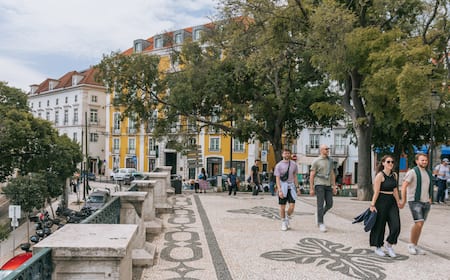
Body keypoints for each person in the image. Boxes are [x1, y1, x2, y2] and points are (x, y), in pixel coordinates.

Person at [399, 153, 433, 255]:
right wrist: (404, 200)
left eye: (426, 160)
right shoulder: (412, 172)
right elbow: (404, 186)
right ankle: (410, 245)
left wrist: (430, 198)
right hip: (414, 201)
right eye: (422, 160)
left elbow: (428, 186)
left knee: (420, 224)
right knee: (418, 223)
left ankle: (415, 245)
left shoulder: (428, 172)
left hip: (426, 202)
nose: (424, 162)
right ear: (417, 161)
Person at [369, 155, 401, 257]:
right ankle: (378, 247)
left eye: (392, 162)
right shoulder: (380, 176)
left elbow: (395, 190)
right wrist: (372, 204)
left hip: (392, 202)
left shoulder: (394, 175)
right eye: (388, 162)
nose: (390, 163)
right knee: (380, 226)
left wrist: (398, 201)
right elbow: (376, 191)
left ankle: (389, 245)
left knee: (396, 226)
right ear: (383, 163)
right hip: (381, 201)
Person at [310, 144, 337, 232]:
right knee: (320, 204)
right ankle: (321, 223)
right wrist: (311, 188)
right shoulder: (316, 161)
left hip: (328, 185)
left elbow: (332, 174)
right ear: (321, 150)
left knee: (330, 204)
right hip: (319, 184)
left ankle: (319, 214)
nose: (327, 150)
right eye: (326, 149)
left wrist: (334, 186)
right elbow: (312, 175)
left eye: (328, 149)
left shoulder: (330, 161)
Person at [274, 149, 300, 231]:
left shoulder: (294, 164)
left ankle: (287, 217)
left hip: (291, 187)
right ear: (282, 155)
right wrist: (279, 190)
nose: (287, 155)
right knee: (282, 207)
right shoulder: (278, 165)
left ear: (290, 154)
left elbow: (295, 176)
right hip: (283, 186)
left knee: (292, 206)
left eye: (288, 153)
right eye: (285, 153)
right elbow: (277, 178)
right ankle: (283, 222)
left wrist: (297, 187)